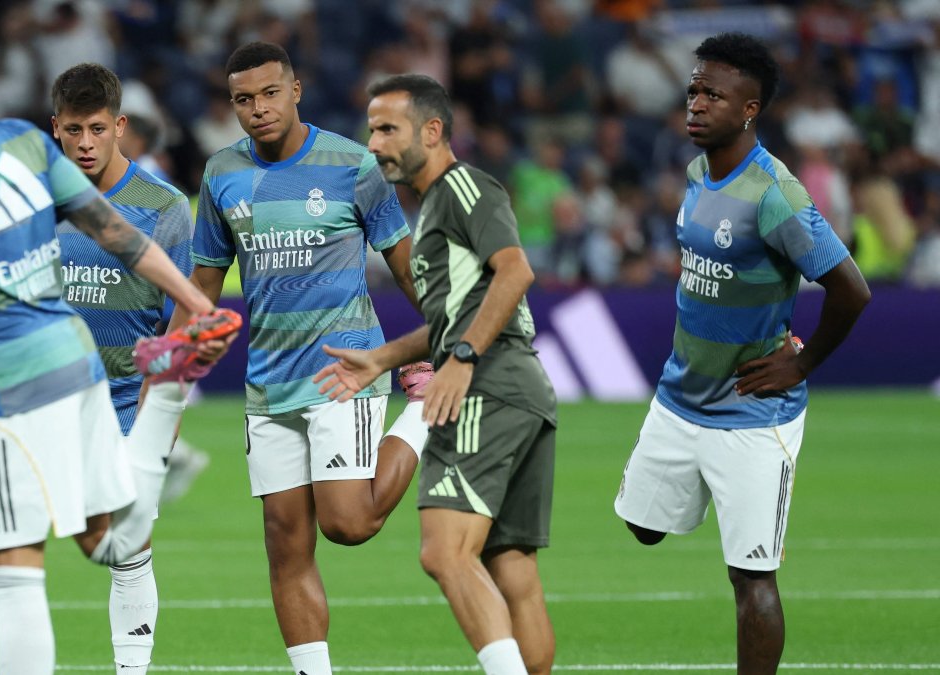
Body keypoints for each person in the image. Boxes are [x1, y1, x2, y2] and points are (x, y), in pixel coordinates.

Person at [0, 20, 237, 675]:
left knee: (14, 572)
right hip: (82, 364)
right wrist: (199, 300)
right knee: (112, 541)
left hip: (14, 378)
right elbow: (113, 227)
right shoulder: (22, 139)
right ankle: (164, 418)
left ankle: (162, 408)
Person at [612, 33, 870, 675]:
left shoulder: (775, 192)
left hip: (754, 414)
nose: (696, 103)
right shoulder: (699, 172)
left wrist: (801, 364)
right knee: (641, 527)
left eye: (713, 94)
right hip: (679, 398)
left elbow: (851, 289)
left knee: (751, 578)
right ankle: (700, 491)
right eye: (693, 90)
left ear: (749, 109)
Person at [171, 41, 431, 675]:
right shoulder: (221, 173)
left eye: (268, 93)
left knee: (349, 525)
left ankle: (425, 412)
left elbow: (406, 264)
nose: (257, 109)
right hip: (268, 383)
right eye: (242, 99)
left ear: (296, 90)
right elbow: (202, 284)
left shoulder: (352, 164)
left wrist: (449, 338)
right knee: (285, 546)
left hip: (345, 371)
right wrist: (172, 380)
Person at [314, 74, 558, 675]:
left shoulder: (463, 188)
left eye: (387, 129)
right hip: (519, 388)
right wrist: (384, 357)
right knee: (511, 568)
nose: (374, 144)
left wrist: (464, 359)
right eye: (371, 129)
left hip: (489, 385)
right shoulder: (432, 213)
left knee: (444, 553)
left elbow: (515, 272)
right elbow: (456, 315)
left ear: (432, 130)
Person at [50, 62, 195, 674]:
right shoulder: (35, 207)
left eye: (97, 129)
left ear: (120, 126)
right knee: (68, 543)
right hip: (51, 404)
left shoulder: (162, 207)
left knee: (130, 545)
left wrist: (167, 408)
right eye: (74, 130)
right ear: (54, 128)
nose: (86, 144)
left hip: (129, 403)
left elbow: (183, 319)